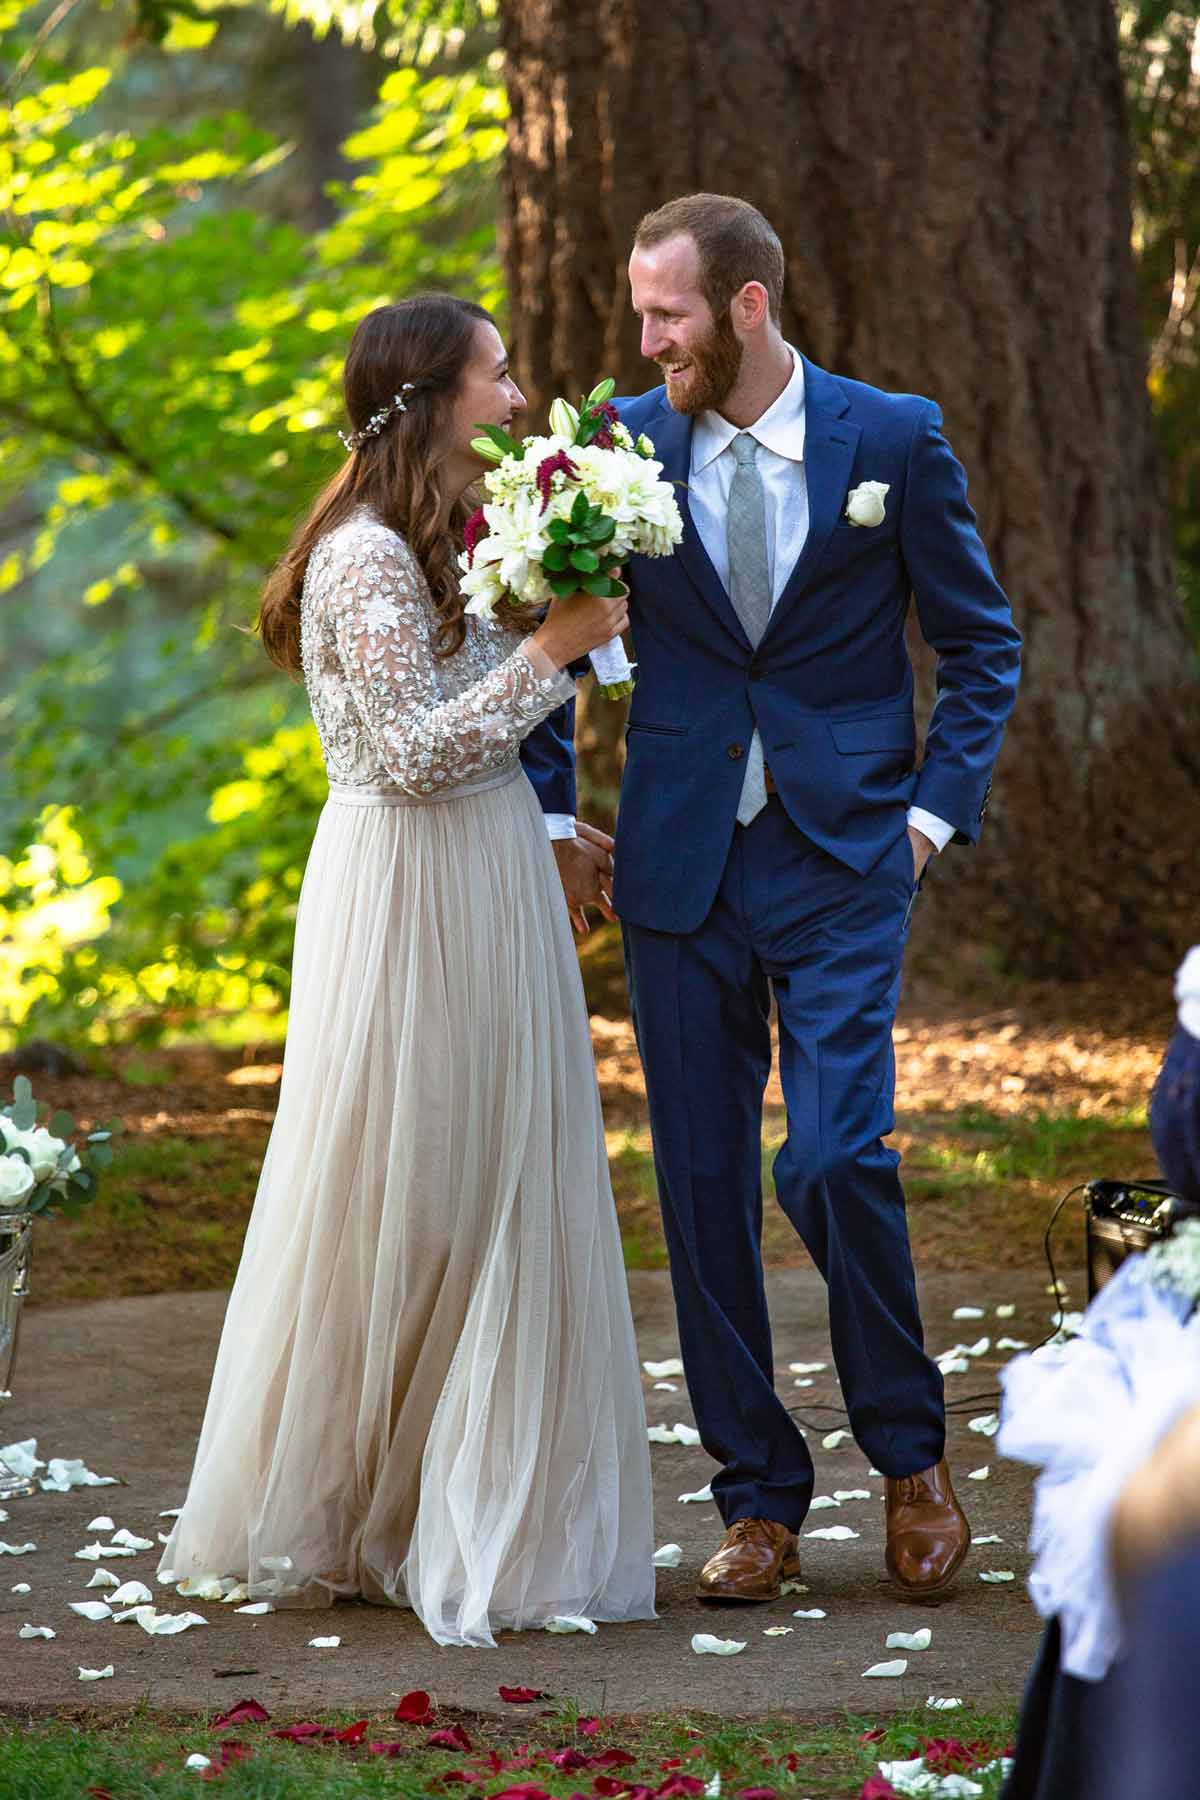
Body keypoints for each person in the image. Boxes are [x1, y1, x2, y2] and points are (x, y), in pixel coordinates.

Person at [523, 193, 1022, 1604]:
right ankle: (759, 1503)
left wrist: (928, 819)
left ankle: (911, 1458)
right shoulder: (612, 444)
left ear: (747, 306)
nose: (645, 338)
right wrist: (562, 814)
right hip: (679, 861)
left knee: (835, 1153)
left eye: (667, 312)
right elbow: (547, 625)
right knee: (698, 1185)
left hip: (846, 853)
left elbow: (983, 647)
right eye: (639, 311)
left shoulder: (894, 439)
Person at [158, 294, 657, 1649]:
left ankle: (468, 1503)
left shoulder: (440, 541)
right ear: (432, 397)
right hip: (412, 894)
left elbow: (470, 739)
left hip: (486, 870)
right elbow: (411, 752)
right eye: (495, 376)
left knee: (492, 1174)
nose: (513, 395)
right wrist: (556, 648)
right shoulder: (364, 558)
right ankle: (361, 1511)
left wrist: (555, 817)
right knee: (409, 1184)